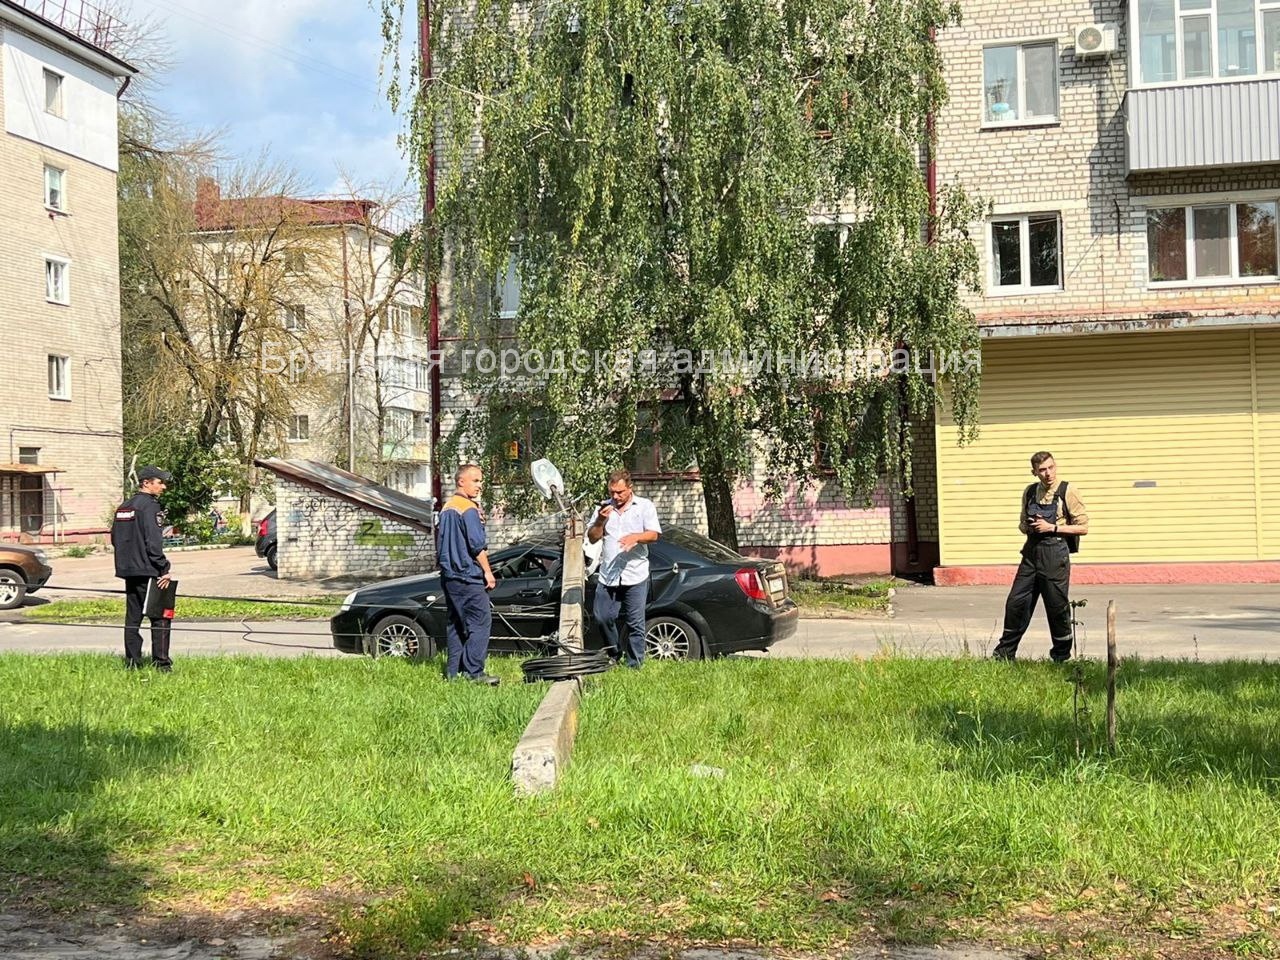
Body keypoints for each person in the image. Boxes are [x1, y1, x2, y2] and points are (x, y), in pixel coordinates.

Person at [993, 451, 1090, 662]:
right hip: (1031, 553)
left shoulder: (1068, 490)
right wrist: (1027, 526)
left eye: (1051, 467)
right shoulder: (1029, 492)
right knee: (1016, 603)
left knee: (1056, 606)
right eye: (1042, 470)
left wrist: (1052, 527)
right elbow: (1020, 524)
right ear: (1034, 472)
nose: (1048, 474)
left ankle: (1061, 657)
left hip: (1055, 554)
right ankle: (1004, 655)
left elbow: (1083, 528)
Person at [587, 469, 662, 668]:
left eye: (619, 492)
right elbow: (593, 537)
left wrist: (636, 537)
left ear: (630, 488)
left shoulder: (644, 506)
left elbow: (654, 535)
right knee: (602, 617)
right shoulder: (603, 508)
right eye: (612, 492)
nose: (615, 496)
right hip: (609, 574)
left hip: (635, 573)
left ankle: (634, 665)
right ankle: (614, 653)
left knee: (635, 622)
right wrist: (600, 520)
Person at [437, 464, 498, 685]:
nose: (480, 486)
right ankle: (475, 673)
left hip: (449, 576)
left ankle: (453, 673)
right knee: (481, 622)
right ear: (461, 481)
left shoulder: (448, 507)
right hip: (468, 576)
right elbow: (476, 546)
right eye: (476, 481)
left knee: (455, 623)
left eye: (481, 481)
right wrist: (488, 572)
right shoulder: (468, 509)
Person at [111, 466, 174, 671]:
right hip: (149, 569)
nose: (163, 486)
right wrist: (163, 567)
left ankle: (133, 663)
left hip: (129, 569)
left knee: (133, 617)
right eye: (160, 482)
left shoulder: (124, 507)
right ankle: (162, 664)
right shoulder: (150, 507)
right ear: (146, 483)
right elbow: (153, 542)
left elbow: (114, 538)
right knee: (161, 616)